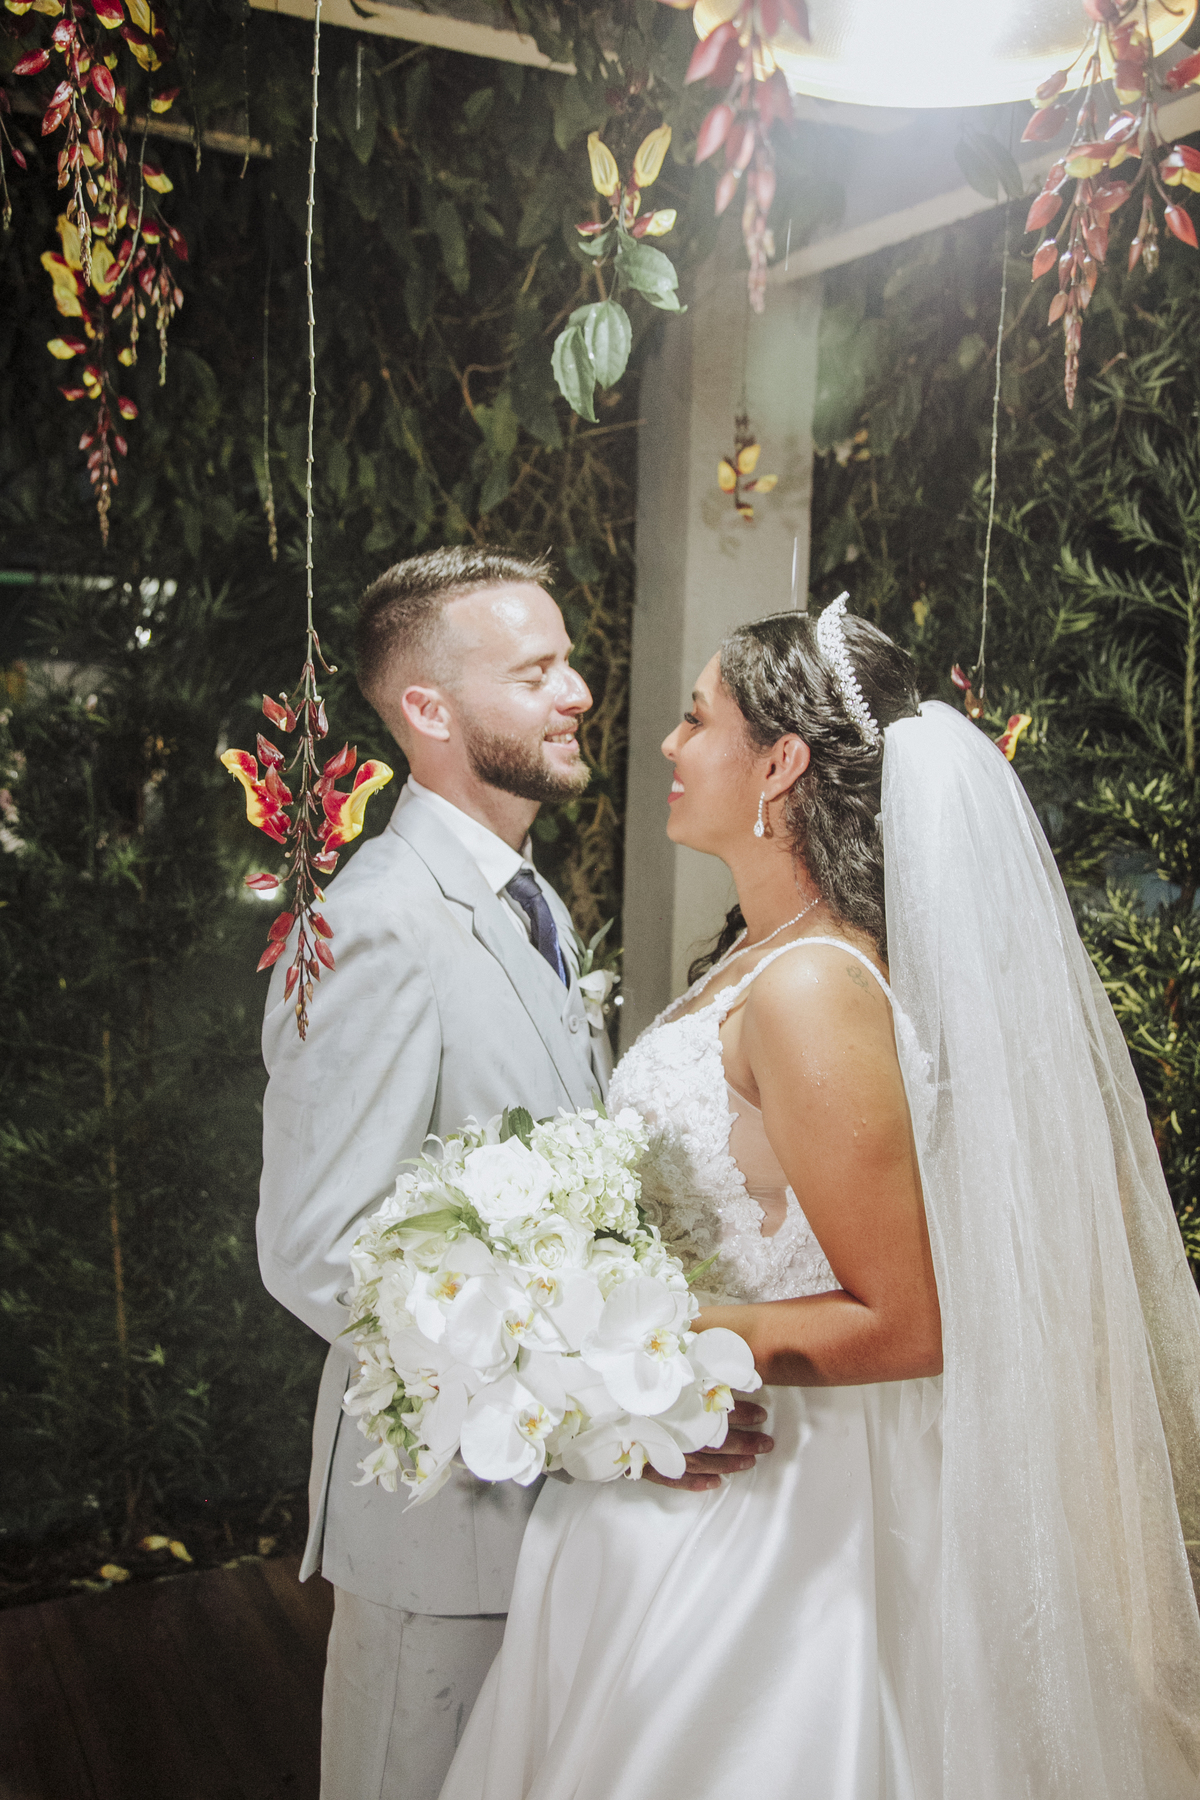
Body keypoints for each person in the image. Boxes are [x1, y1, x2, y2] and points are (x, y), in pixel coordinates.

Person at [439, 597, 1200, 1800]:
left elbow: (911, 1320)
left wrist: (642, 1339)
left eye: (698, 718)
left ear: (781, 763)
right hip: (691, 1460)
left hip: (782, 1516)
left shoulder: (809, 988)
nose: (670, 743)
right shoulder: (753, 953)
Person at [256, 546, 771, 1800]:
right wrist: (604, 1411)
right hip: (443, 1538)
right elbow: (320, 1250)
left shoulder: (522, 898)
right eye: (535, 672)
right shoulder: (372, 922)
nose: (579, 691)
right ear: (428, 710)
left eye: (569, 662)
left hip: (562, 1522)